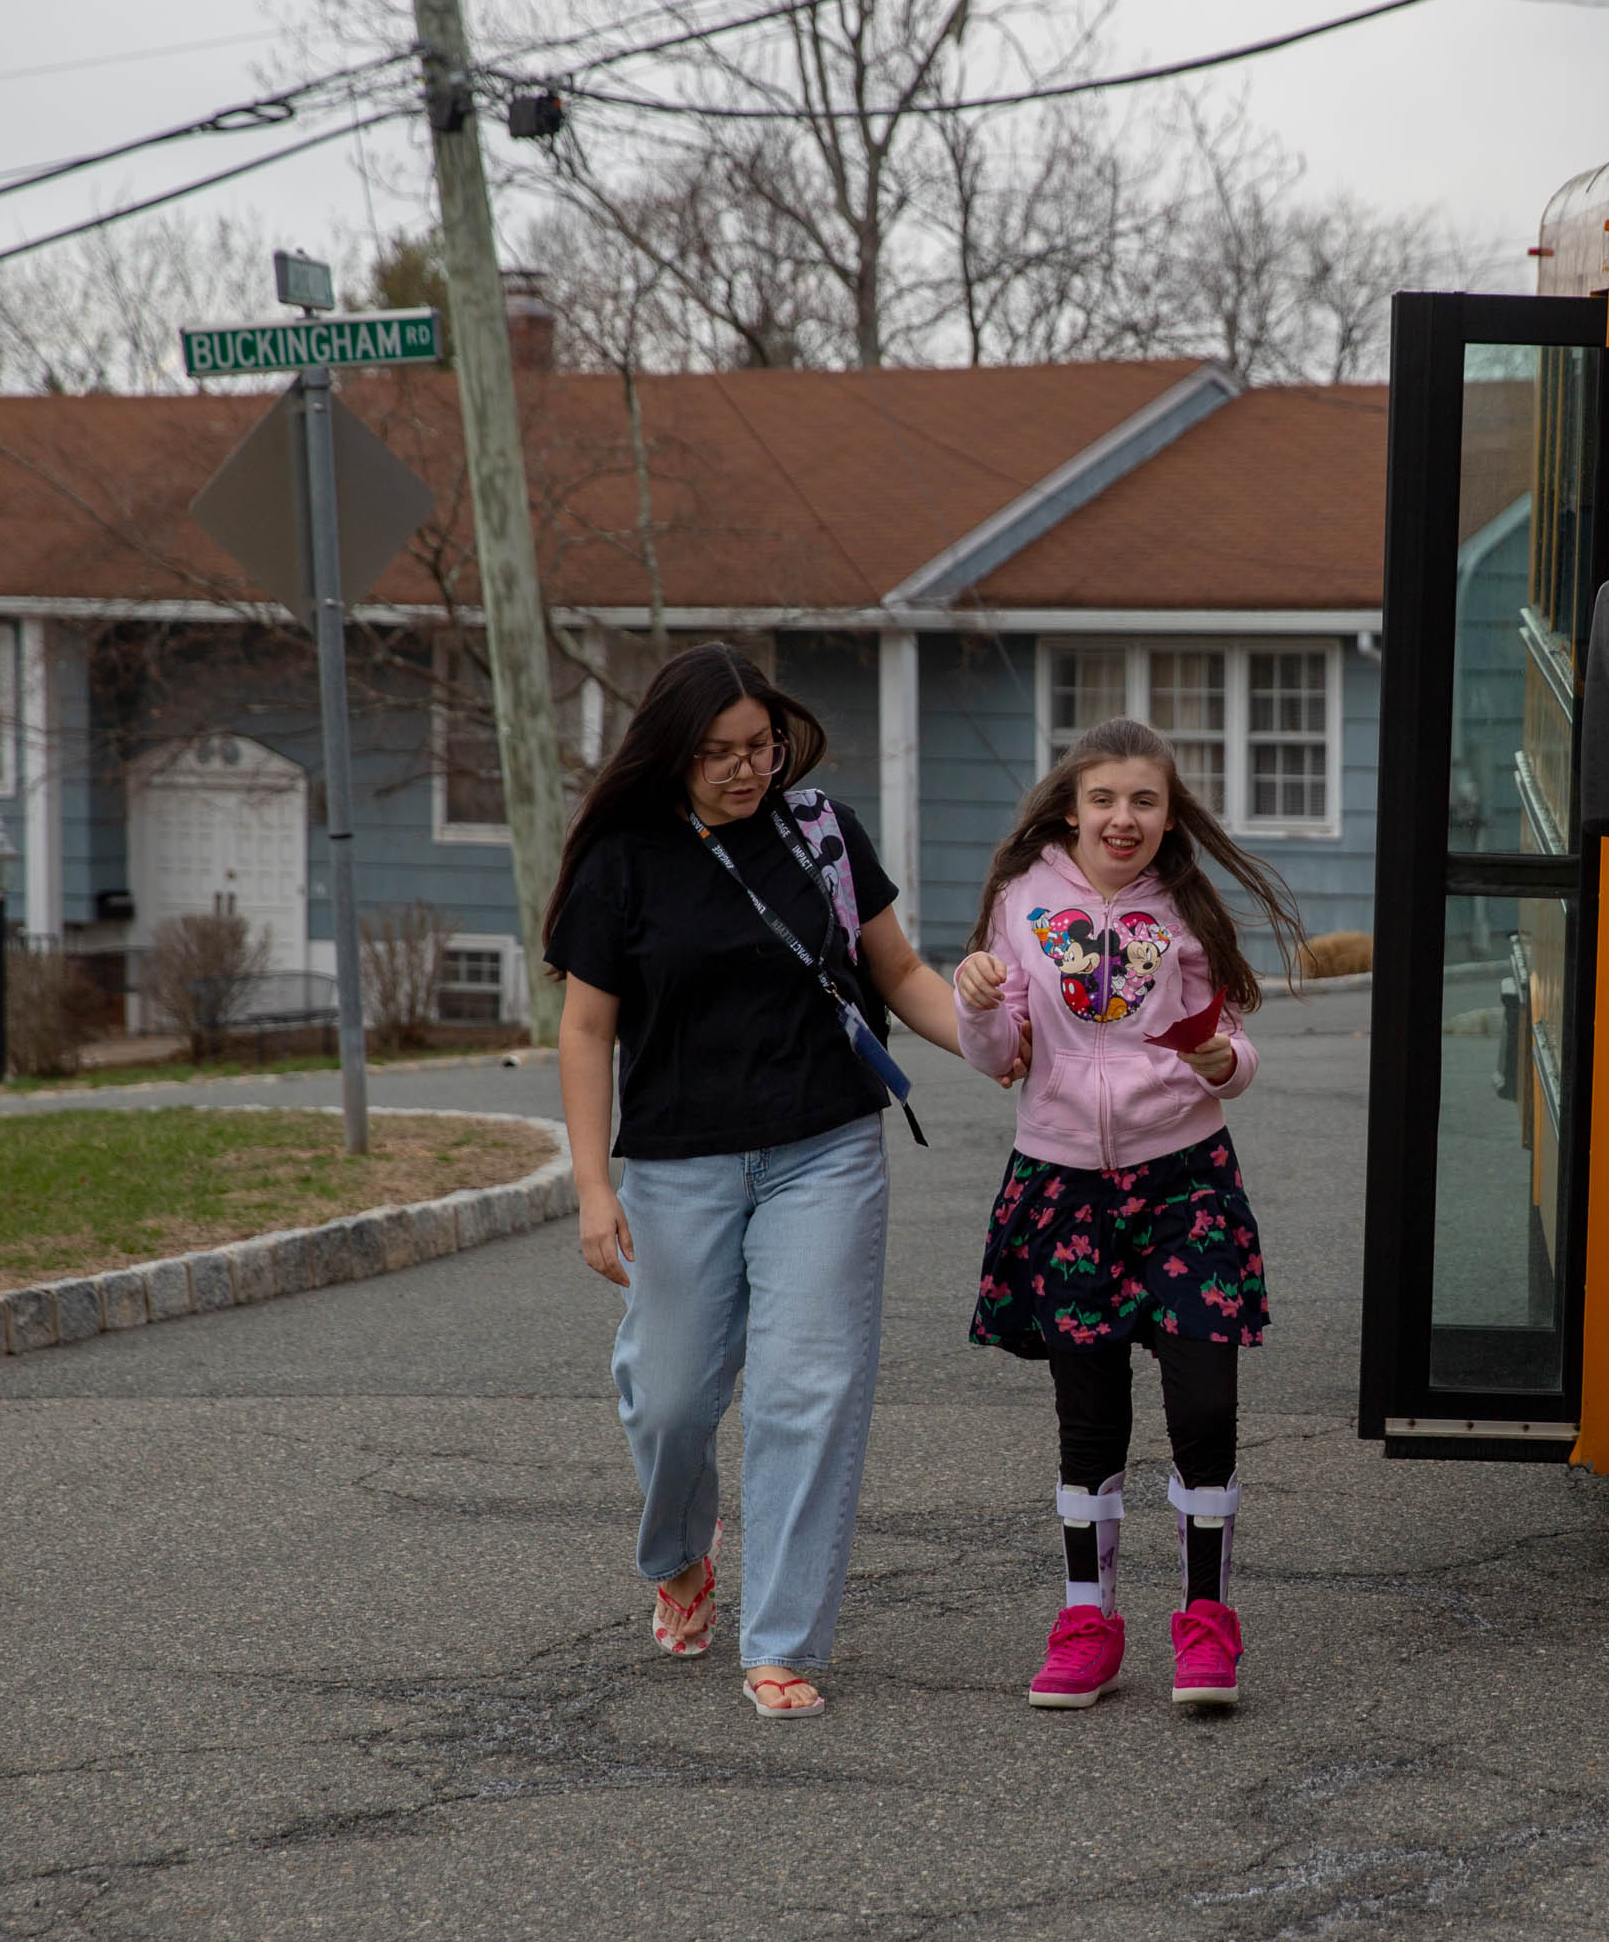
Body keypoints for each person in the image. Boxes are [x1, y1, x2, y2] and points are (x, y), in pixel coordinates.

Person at [549, 643, 972, 1721]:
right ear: (671, 754)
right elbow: (587, 1026)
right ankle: (681, 1553)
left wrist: (1000, 1041)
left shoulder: (820, 830)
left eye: (760, 746)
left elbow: (902, 972)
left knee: (805, 1392)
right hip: (678, 1163)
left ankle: (780, 1639)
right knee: (673, 1397)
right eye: (719, 754)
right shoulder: (626, 858)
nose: (747, 770)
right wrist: (594, 1188)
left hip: (823, 1145)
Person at [952, 717, 1305, 1712]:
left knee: (1204, 1405)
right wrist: (978, 999)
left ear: (1167, 815)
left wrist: (1220, 1060)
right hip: (1062, 1182)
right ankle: (1087, 1622)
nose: (1124, 816)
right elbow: (997, 1055)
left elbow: (1233, 1050)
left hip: (1183, 1176)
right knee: (1089, 1418)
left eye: (1144, 800)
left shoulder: (1184, 909)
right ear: (1071, 807)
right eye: (1104, 798)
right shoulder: (1022, 905)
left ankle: (1206, 1623)